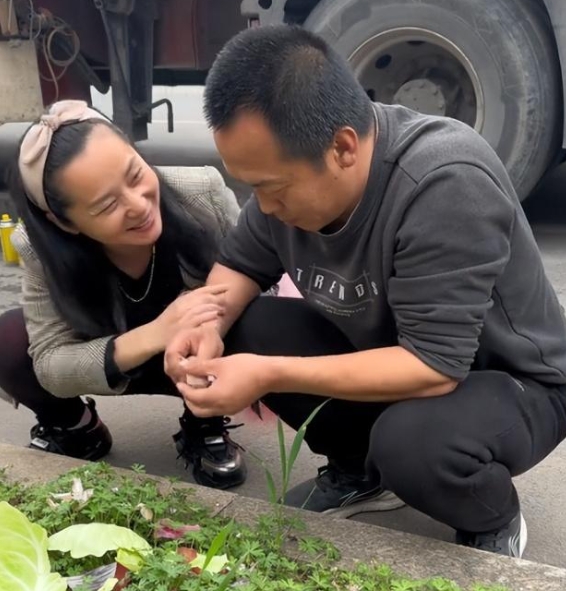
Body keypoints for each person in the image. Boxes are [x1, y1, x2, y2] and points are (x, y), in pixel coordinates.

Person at [164, 25, 566, 557]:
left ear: (343, 148)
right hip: (396, 360)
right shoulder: (286, 187)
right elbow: (238, 266)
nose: (260, 205)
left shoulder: (445, 182)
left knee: (412, 442)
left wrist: (268, 372)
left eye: (270, 187)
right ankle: (358, 471)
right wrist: (204, 329)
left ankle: (491, 514)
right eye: (249, 185)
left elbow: (435, 366)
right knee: (247, 324)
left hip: (512, 383)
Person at [0, 100, 247, 490]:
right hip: (113, 358)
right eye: (107, 205)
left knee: (254, 319)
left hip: (198, 354)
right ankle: (78, 428)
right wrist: (155, 333)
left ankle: (205, 426)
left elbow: (255, 276)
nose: (138, 206)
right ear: (64, 222)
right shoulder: (38, 247)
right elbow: (49, 361)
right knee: (9, 340)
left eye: (135, 174)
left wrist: (203, 326)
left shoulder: (201, 192)